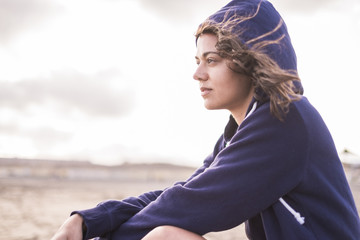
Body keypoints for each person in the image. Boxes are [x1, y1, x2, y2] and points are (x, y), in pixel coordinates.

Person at [51, 0, 360, 239]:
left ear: (249, 62)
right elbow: (183, 192)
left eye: (211, 61)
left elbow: (191, 206)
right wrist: (91, 220)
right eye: (198, 61)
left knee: (164, 236)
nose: (197, 74)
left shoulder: (284, 120)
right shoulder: (242, 130)